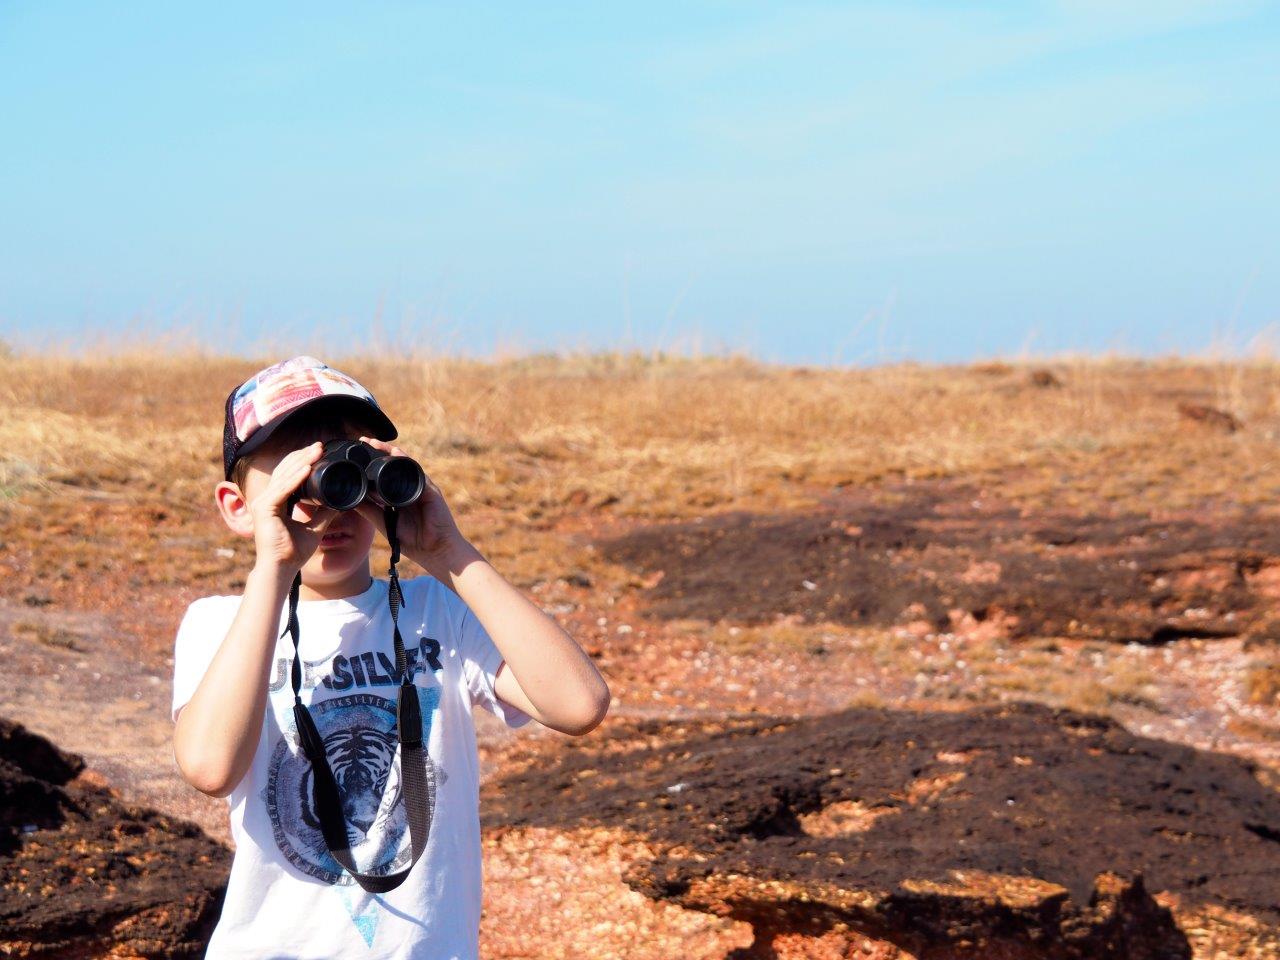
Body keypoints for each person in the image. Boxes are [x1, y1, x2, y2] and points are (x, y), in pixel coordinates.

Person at [171, 355, 610, 958]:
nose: (328, 509)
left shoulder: (439, 610)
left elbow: (580, 705)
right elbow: (210, 768)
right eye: (296, 483)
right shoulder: (222, 623)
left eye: (344, 473)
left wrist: (448, 552)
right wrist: (273, 568)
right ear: (237, 506)